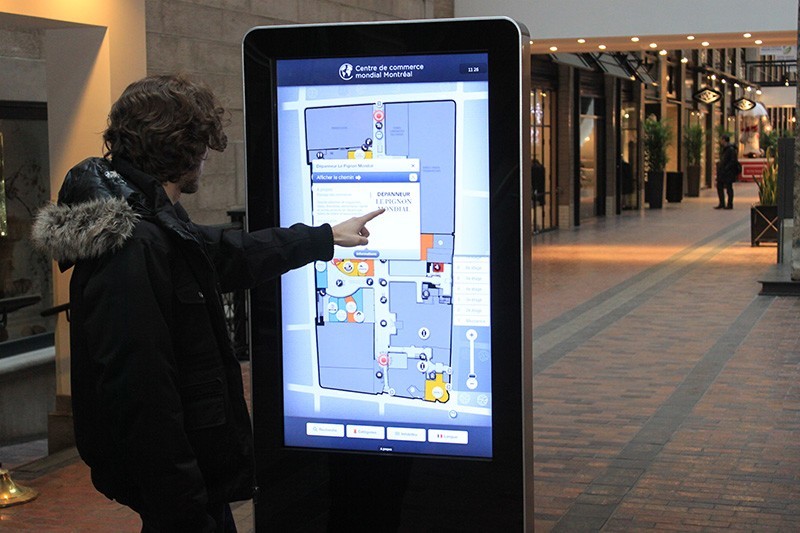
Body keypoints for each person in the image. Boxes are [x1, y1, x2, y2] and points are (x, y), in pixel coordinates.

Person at [31, 74, 382, 532]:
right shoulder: (133, 246)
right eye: (201, 145)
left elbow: (225, 254)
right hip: (181, 495)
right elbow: (142, 397)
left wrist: (323, 238)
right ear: (182, 149)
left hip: (188, 486)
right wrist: (184, 507)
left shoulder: (147, 219)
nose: (205, 158)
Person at [715, 134, 739, 209]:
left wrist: (726, 168)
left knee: (729, 188)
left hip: (728, 172)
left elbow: (733, 161)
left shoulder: (730, 149)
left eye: (721, 139)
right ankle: (722, 203)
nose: (720, 141)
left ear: (724, 140)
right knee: (720, 186)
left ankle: (729, 204)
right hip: (723, 172)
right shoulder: (725, 149)